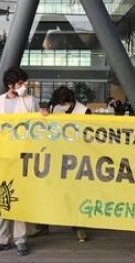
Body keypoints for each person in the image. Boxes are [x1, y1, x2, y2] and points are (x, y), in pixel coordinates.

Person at [0, 67, 39, 256]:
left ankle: (20, 239)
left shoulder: (30, 101)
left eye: (24, 82)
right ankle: (1, 238)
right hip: (2, 156)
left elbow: (38, 128)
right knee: (1, 197)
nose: (24, 86)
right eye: (20, 83)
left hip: (22, 156)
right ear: (10, 85)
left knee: (19, 197)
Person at [28, 86, 91, 242]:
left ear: (72, 100)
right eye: (60, 103)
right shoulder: (53, 108)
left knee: (74, 194)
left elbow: (90, 136)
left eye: (65, 103)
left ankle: (78, 227)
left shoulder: (84, 111)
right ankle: (42, 225)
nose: (62, 106)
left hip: (75, 160)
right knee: (48, 192)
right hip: (54, 158)